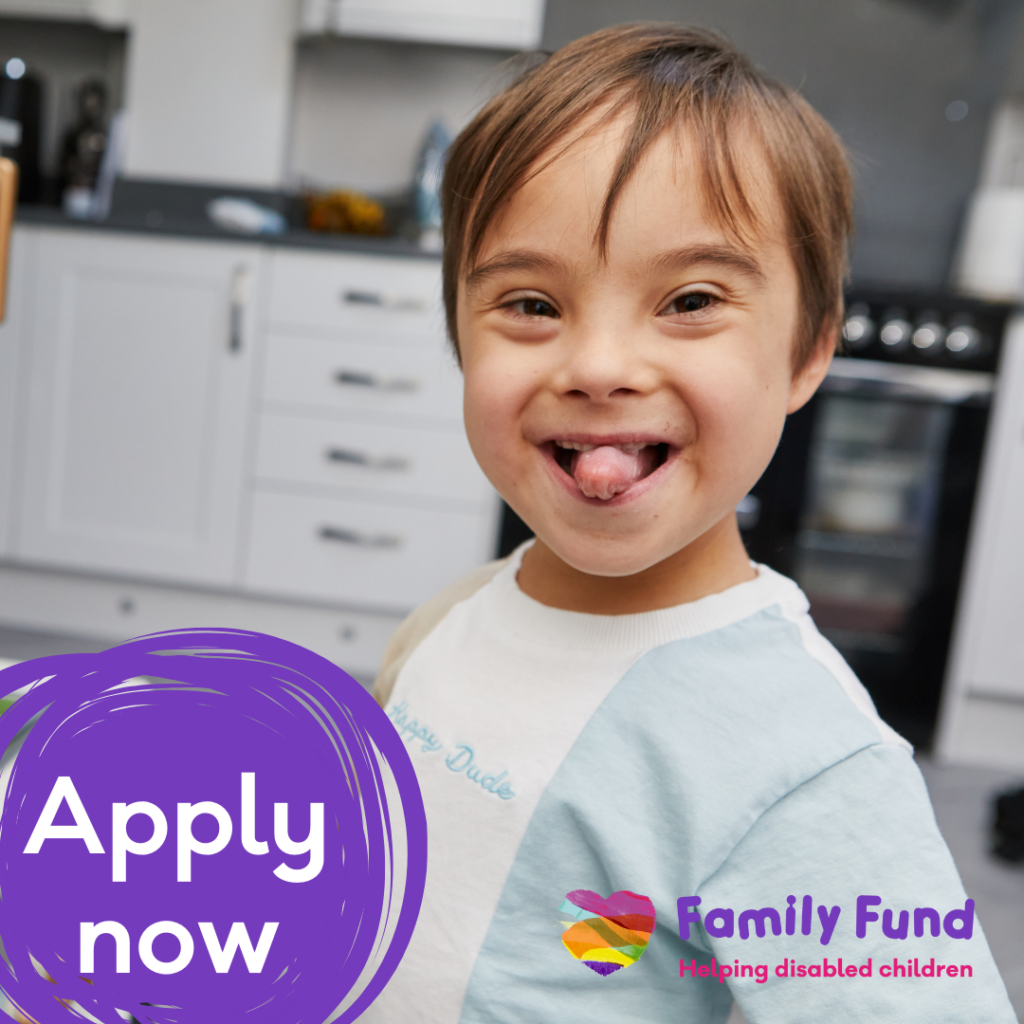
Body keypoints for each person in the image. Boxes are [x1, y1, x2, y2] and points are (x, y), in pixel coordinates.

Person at [368, 23, 1018, 1023]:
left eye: (689, 299)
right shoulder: (453, 616)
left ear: (805, 353)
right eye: (532, 303)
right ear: (459, 334)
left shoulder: (806, 763)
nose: (597, 364)